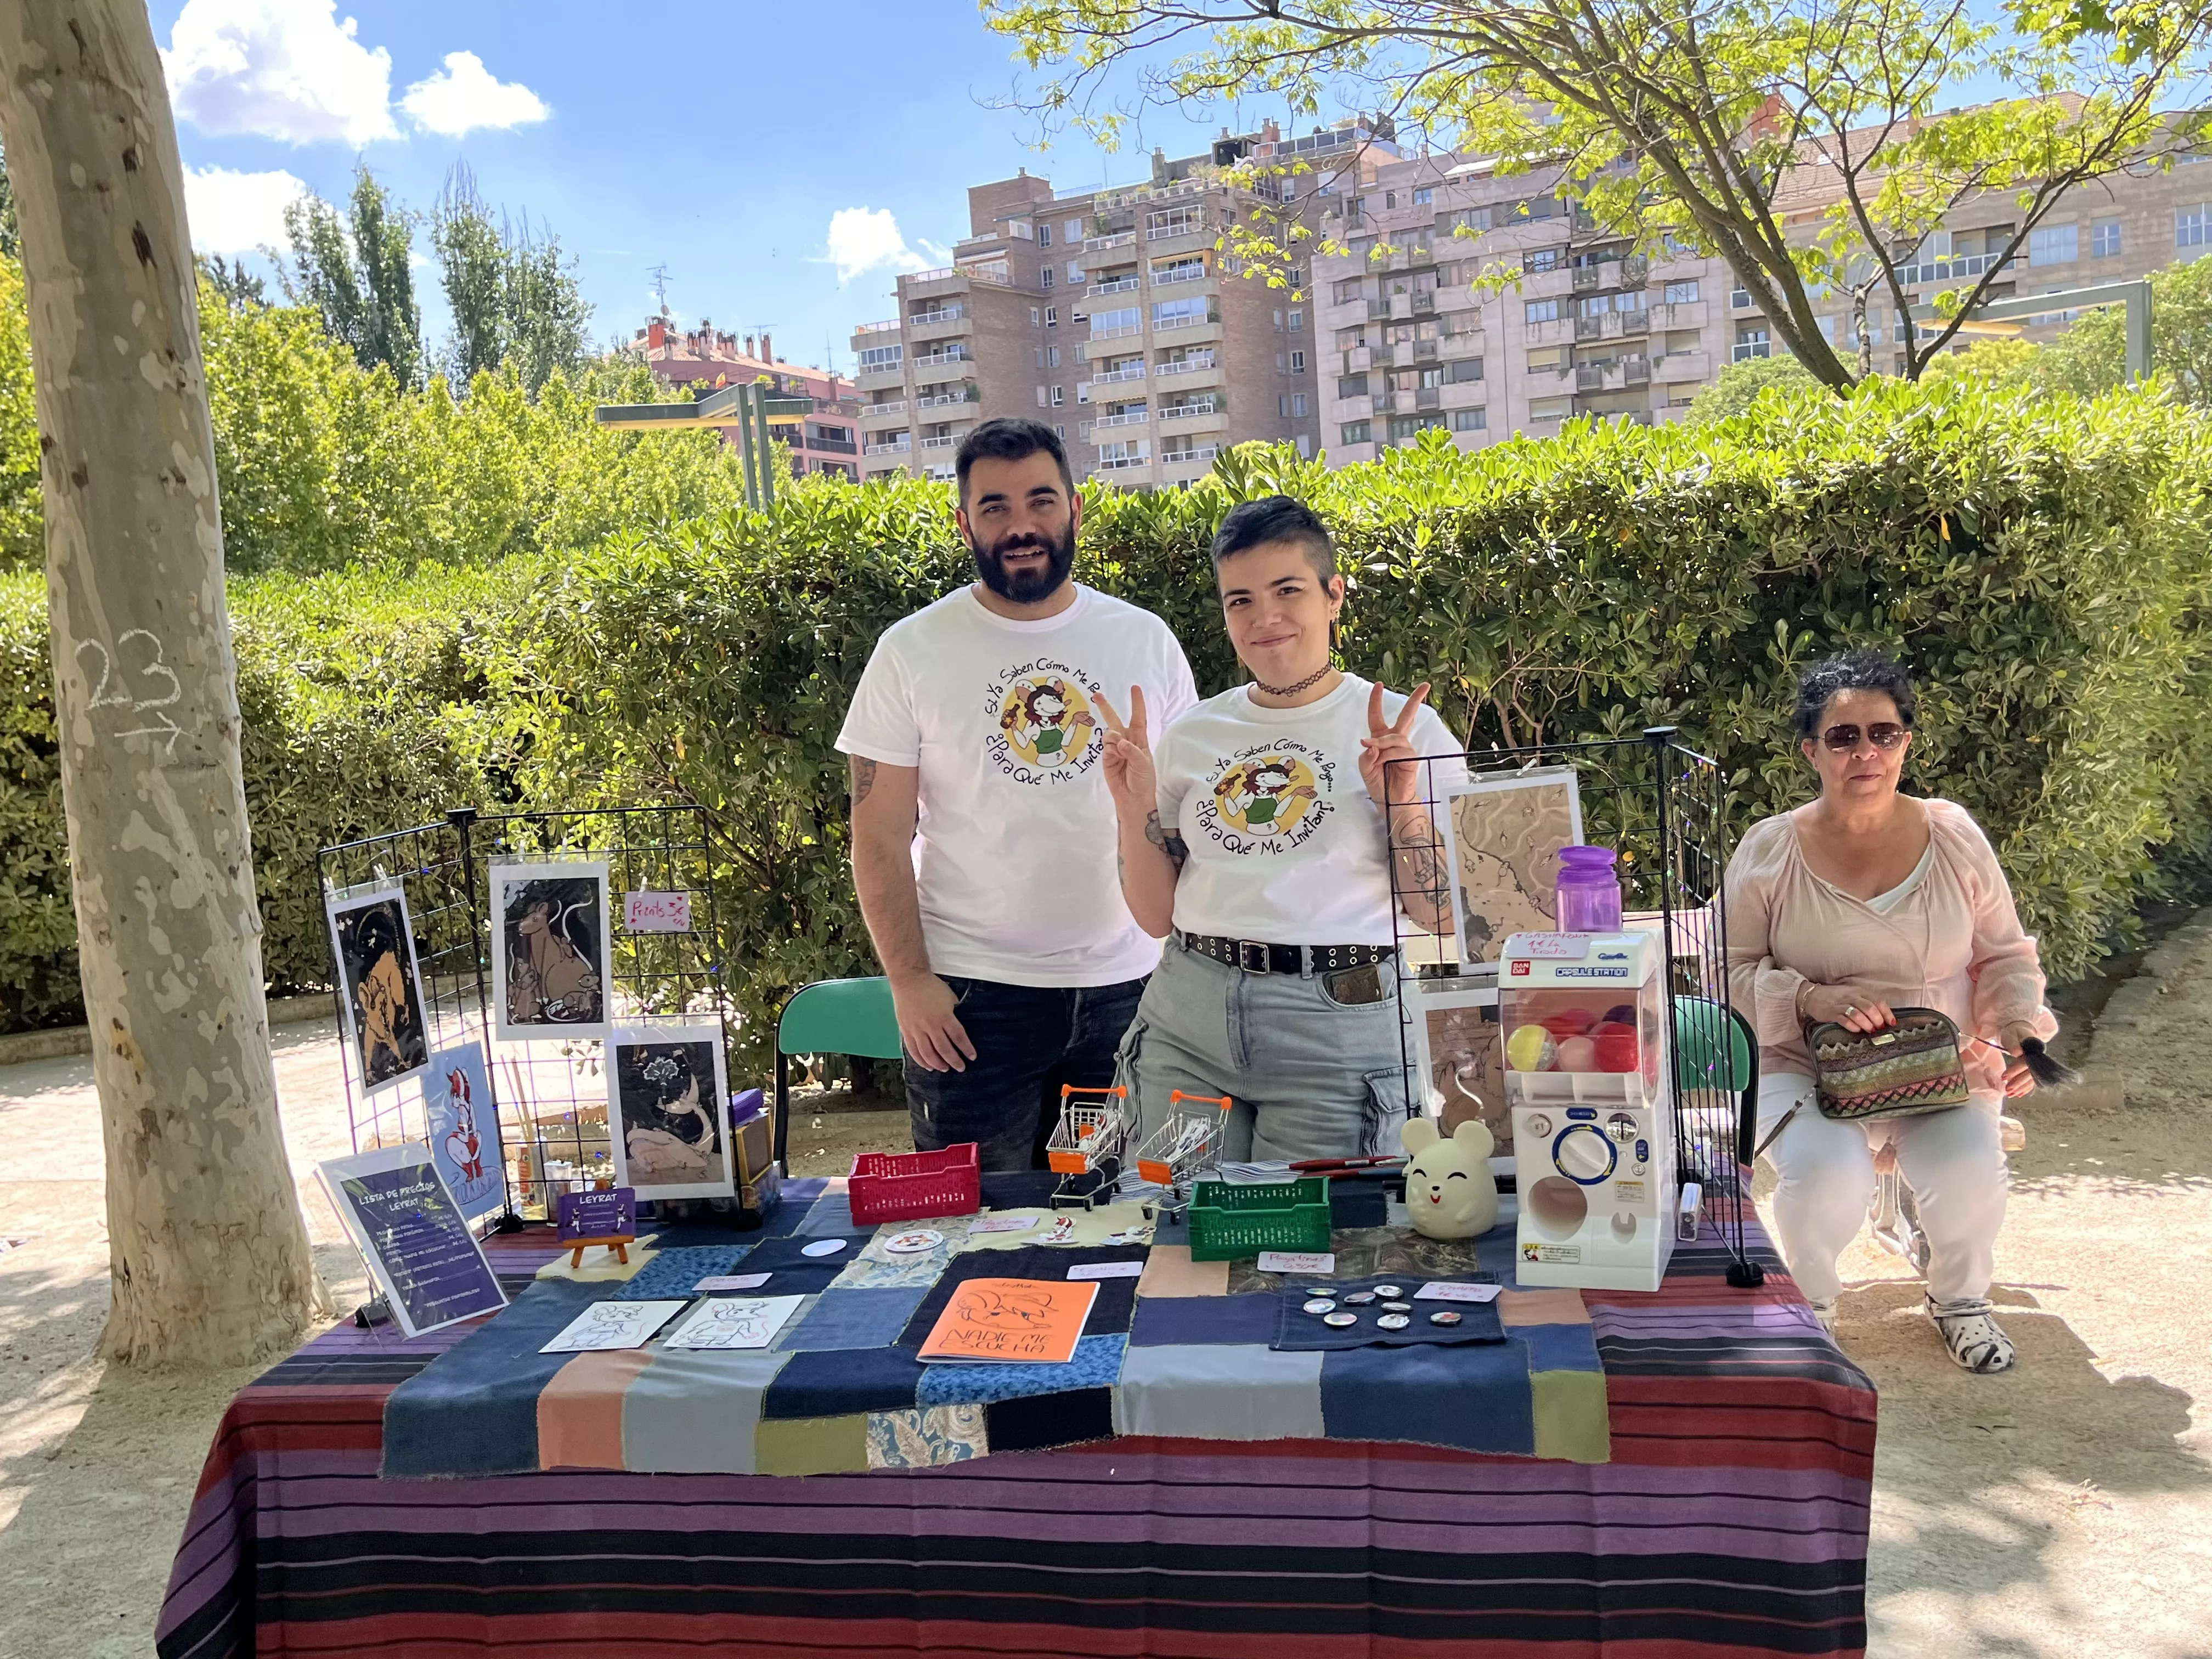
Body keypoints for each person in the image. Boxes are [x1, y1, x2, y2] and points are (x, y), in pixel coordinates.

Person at [838, 419, 1198, 1172]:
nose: (1022, 526)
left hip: (1127, 996)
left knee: (1114, 1224)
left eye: (1040, 500)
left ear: (1074, 506)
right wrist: (908, 981)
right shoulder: (912, 650)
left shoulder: (1146, 641)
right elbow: (877, 834)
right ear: (964, 521)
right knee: (971, 1241)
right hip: (971, 1005)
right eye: (996, 507)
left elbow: (1181, 818)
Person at [1099, 495, 1464, 1162]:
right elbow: (1156, 915)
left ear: (1334, 596)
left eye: (1286, 590)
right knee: (1173, 1226)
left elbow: (1444, 916)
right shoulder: (1194, 734)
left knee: (1319, 1248)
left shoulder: (1406, 732)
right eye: (1239, 600)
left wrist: (1403, 802)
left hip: (1339, 1023)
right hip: (1190, 1014)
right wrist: (1134, 806)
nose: (1263, 618)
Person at [1725, 649, 2057, 1373]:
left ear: (1907, 741)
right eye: (1844, 737)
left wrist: (2017, 1030)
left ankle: (1961, 1300)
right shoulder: (1769, 851)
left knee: (1972, 1171)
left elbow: (2003, 954)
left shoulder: (1955, 836)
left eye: (1885, 733)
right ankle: (1810, 1311)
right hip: (1806, 1064)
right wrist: (1813, 999)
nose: (1866, 752)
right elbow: (1732, 973)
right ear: (1811, 749)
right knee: (1825, 1176)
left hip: (1937, 1068)